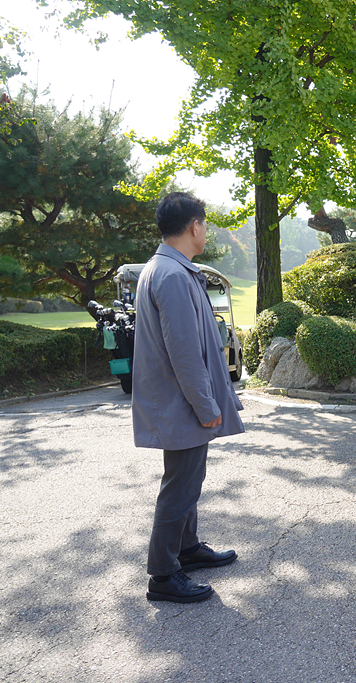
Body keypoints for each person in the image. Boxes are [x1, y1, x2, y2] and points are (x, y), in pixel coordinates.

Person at [133, 192, 244, 603]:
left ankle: (186, 548)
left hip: (176, 401)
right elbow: (184, 352)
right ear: (194, 226)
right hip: (182, 403)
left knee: (187, 480)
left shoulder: (165, 267)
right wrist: (207, 406)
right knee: (180, 485)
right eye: (205, 225)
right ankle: (163, 575)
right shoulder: (174, 275)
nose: (206, 231)